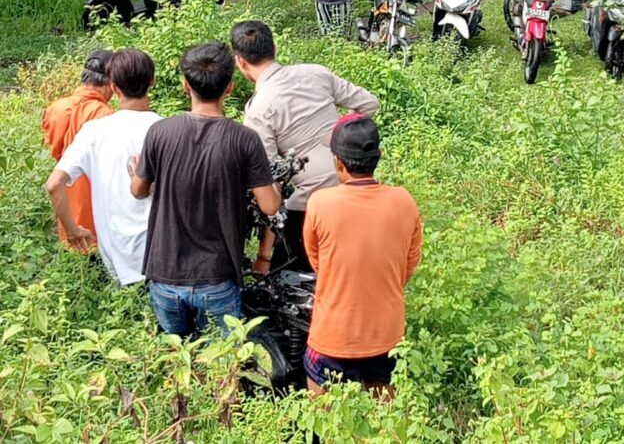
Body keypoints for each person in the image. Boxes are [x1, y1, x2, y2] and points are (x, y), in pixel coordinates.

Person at [131, 42, 280, 336]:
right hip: (218, 277)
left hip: (166, 274)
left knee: (177, 361)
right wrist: (273, 183)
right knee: (222, 365)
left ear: (186, 86)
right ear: (229, 87)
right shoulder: (244, 140)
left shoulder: (160, 132)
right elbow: (270, 206)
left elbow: (138, 190)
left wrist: (141, 173)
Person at [232, 20, 379, 274]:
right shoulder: (315, 72)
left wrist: (264, 255)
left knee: (291, 277)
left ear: (240, 62)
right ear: (274, 47)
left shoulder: (257, 110)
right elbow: (369, 104)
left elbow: (270, 179)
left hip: (309, 205)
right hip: (355, 185)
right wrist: (339, 135)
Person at [303, 115, 422, 398]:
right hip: (387, 336)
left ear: (338, 163)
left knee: (327, 422)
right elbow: (408, 265)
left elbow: (316, 260)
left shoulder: (320, 203)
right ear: (377, 157)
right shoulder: (404, 200)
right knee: (385, 424)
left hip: (333, 336)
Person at [45, 48, 161, 284]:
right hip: (159, 250)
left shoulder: (62, 112)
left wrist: (71, 228)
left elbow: (54, 179)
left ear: (115, 86)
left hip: (96, 224)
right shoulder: (164, 129)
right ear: (153, 82)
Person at [42, 50, 114, 247]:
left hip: (64, 198)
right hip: (94, 204)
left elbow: (56, 152)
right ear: (111, 82)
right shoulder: (105, 114)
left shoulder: (55, 108)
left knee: (70, 254)